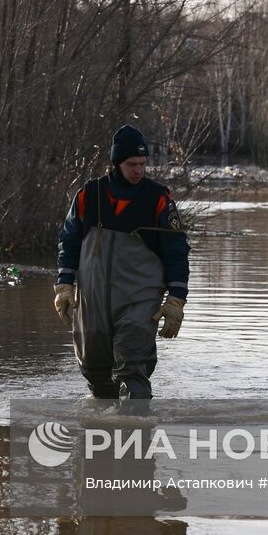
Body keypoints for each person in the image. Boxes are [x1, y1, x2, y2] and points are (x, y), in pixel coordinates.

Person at [53, 125, 189, 399]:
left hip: (140, 299)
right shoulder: (87, 195)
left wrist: (176, 299)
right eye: (131, 164)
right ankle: (100, 432)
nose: (138, 170)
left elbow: (176, 250)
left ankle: (138, 430)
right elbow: (69, 241)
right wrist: (64, 285)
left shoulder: (159, 199)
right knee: (94, 370)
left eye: (142, 163)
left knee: (133, 368)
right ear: (116, 162)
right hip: (93, 298)